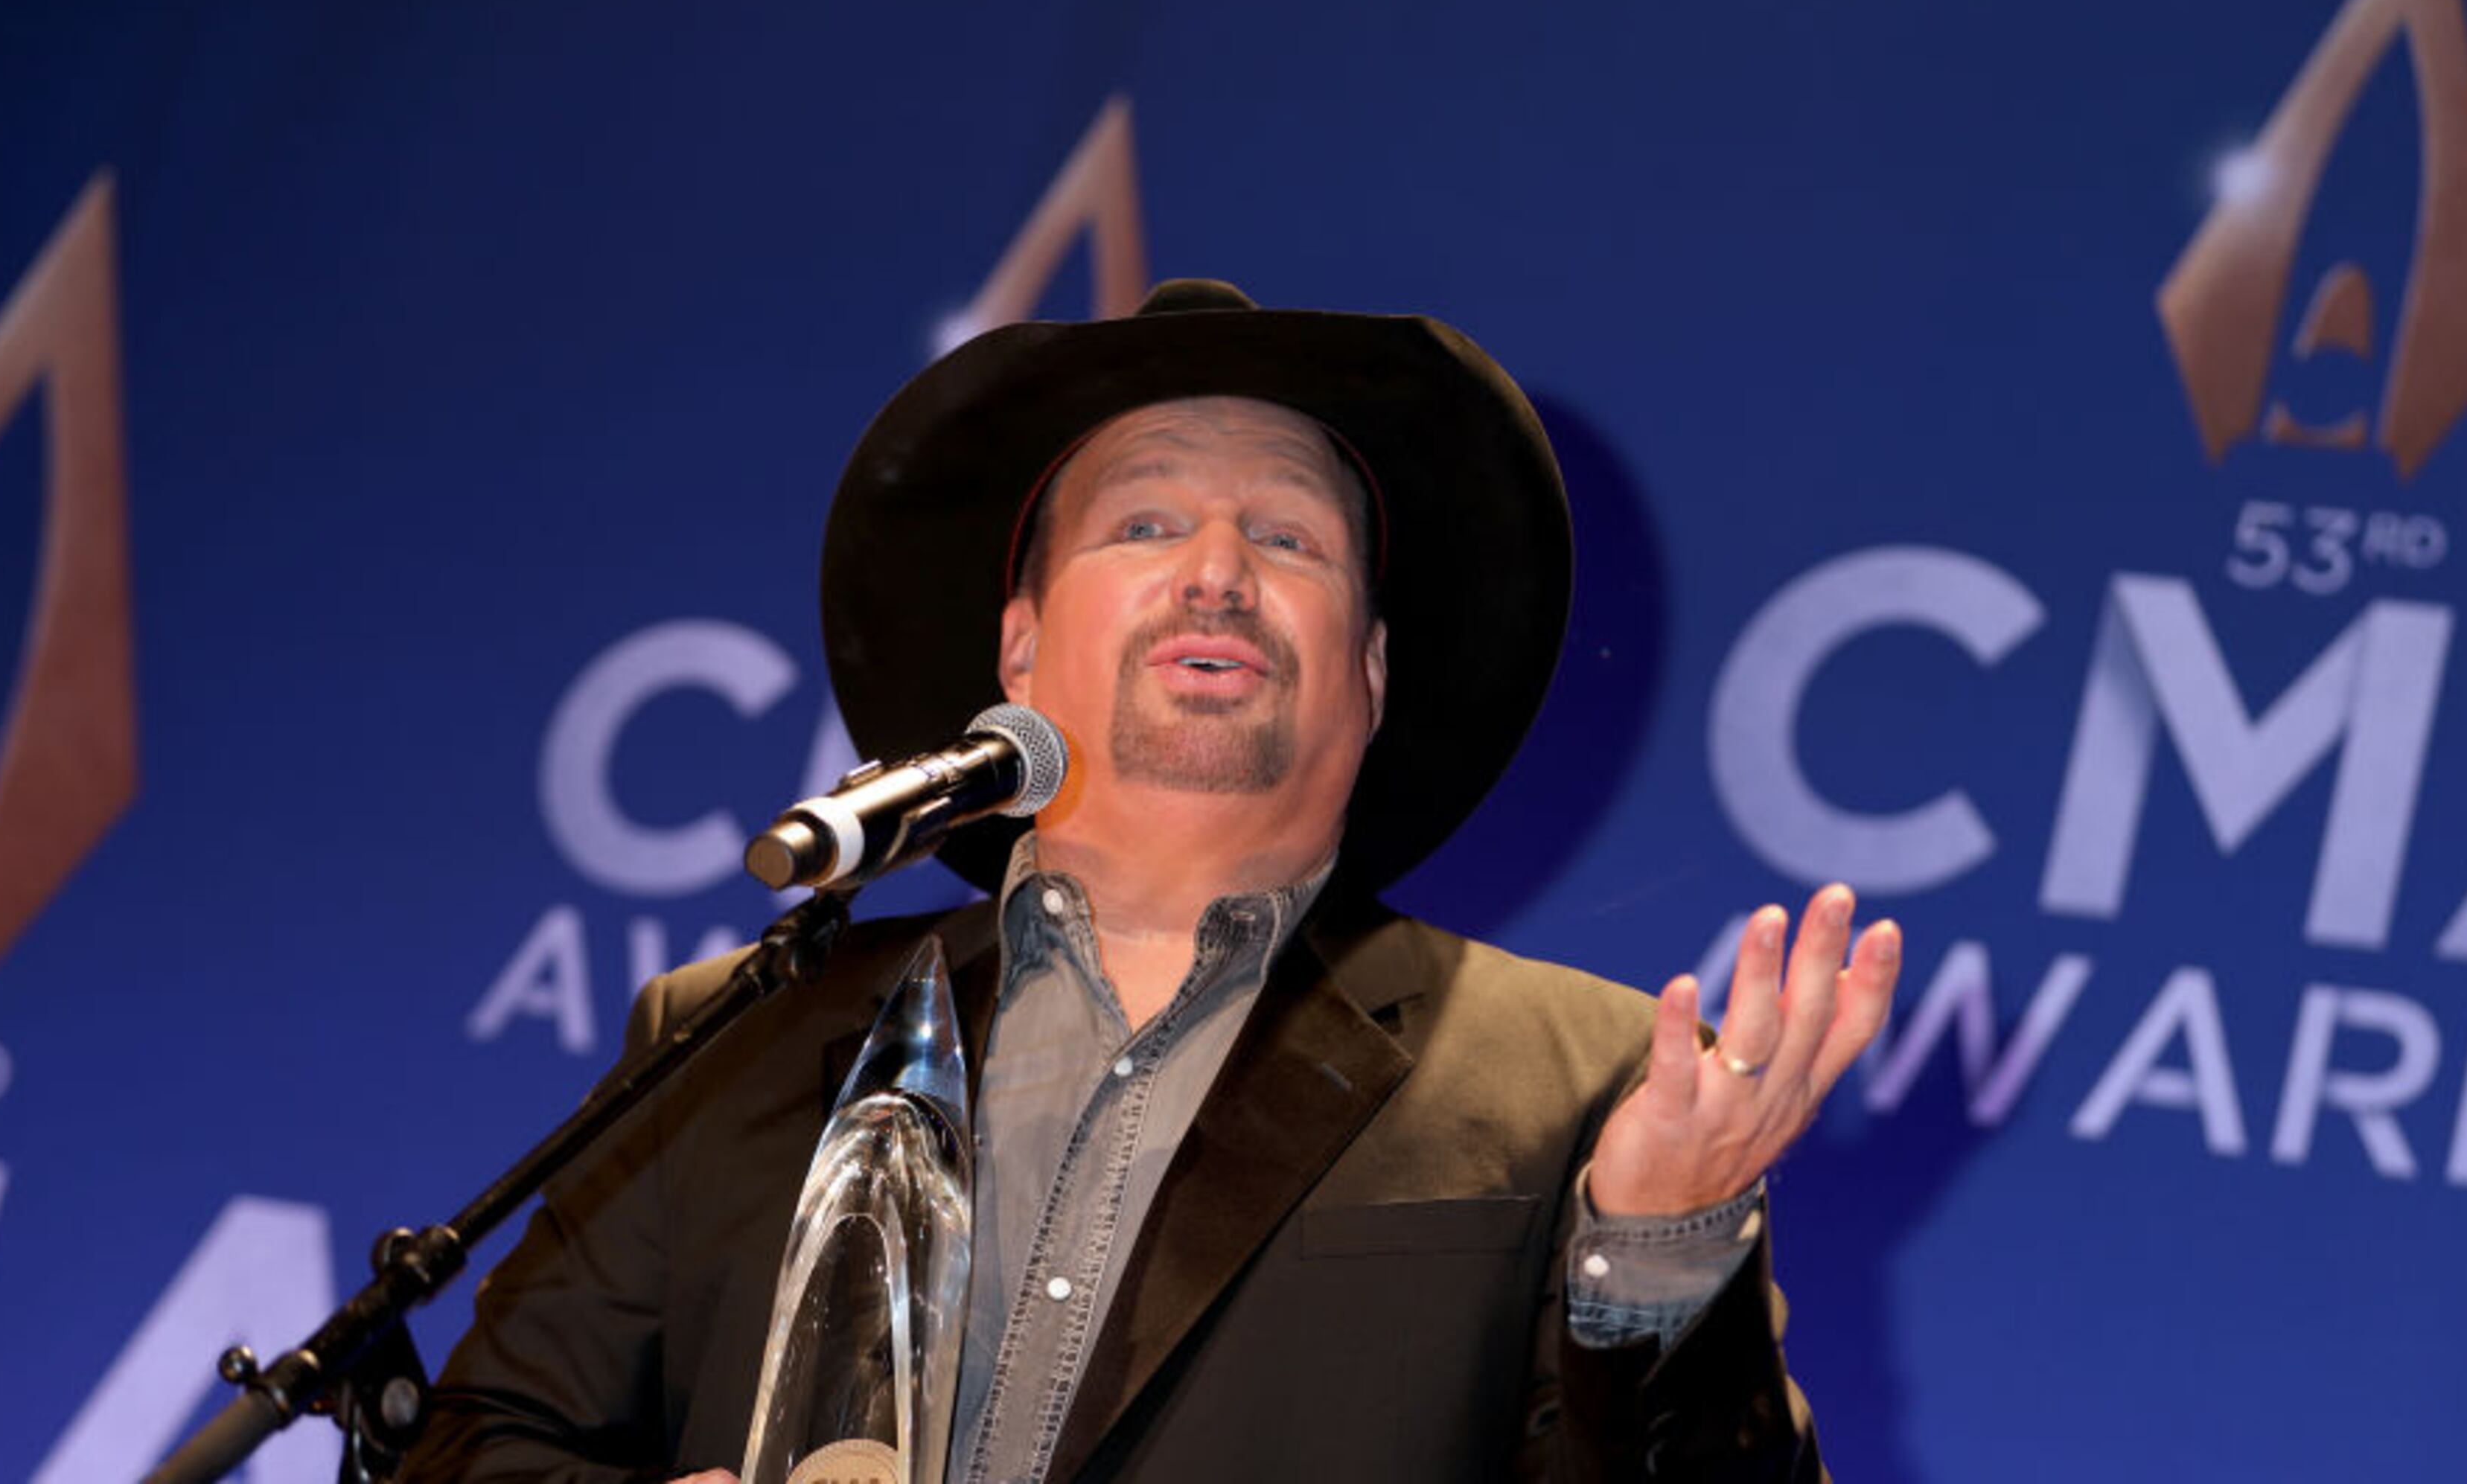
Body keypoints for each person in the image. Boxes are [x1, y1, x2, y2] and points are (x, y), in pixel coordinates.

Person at [403, 280, 1901, 1483]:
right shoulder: (736, 1036)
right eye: (1146, 522)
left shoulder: (1584, 1081)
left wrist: (1654, 1249)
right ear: (1017, 643)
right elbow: (480, 1443)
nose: (1214, 569)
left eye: (1287, 536)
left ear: (1370, 672)